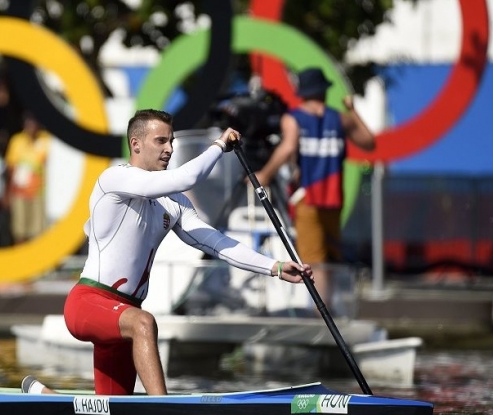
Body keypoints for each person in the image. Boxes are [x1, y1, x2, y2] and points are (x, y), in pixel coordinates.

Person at [21, 109, 312, 396]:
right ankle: (165, 408)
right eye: (160, 141)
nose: (170, 149)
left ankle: (47, 397)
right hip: (88, 303)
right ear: (136, 144)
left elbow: (217, 243)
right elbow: (187, 177)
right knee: (145, 321)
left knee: (112, 409)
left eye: (171, 141)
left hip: (124, 317)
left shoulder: (173, 201)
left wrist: (274, 267)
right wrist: (219, 145)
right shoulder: (114, 180)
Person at [252, 67, 376, 313]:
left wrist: (264, 174)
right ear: (324, 91)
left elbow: (287, 148)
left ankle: (321, 312)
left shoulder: (293, 118)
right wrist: (352, 109)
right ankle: (330, 307)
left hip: (307, 196)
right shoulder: (340, 118)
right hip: (334, 197)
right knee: (330, 256)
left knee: (313, 258)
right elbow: (369, 142)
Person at [4, 112, 50, 244]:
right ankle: (21, 263)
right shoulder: (17, 141)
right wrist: (7, 192)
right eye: (29, 123)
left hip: (39, 193)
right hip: (19, 193)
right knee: (20, 230)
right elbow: (11, 168)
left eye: (34, 123)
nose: (31, 126)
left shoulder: (47, 140)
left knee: (38, 231)